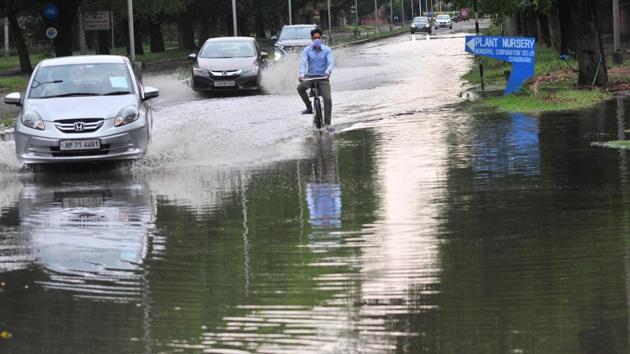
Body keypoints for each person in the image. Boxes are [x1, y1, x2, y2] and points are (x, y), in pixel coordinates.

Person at [297, 28, 335, 123]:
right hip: (310, 77)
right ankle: (309, 108)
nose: (317, 40)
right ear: (311, 39)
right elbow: (303, 63)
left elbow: (331, 62)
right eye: (314, 38)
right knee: (300, 88)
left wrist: (328, 71)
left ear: (321, 38)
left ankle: (327, 124)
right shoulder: (307, 50)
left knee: (328, 99)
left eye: (318, 37)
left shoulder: (327, 50)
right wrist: (301, 74)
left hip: (323, 77)